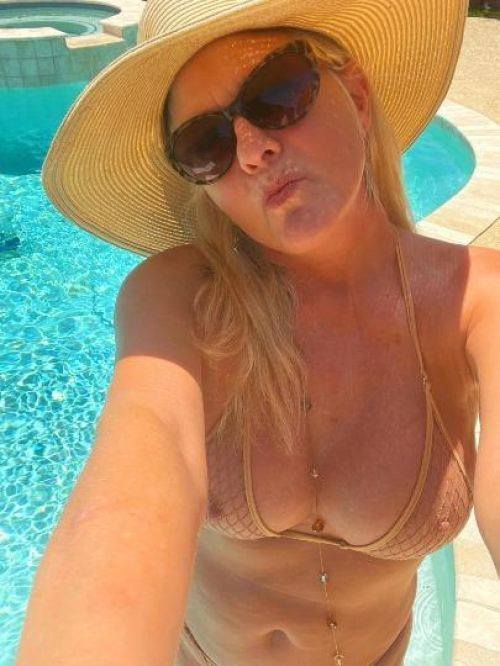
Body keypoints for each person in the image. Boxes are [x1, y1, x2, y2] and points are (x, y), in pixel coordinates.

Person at [16, 1, 500, 665]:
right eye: (206, 145)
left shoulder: (478, 301)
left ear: (357, 97)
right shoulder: (179, 300)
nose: (251, 150)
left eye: (277, 94)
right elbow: (136, 473)